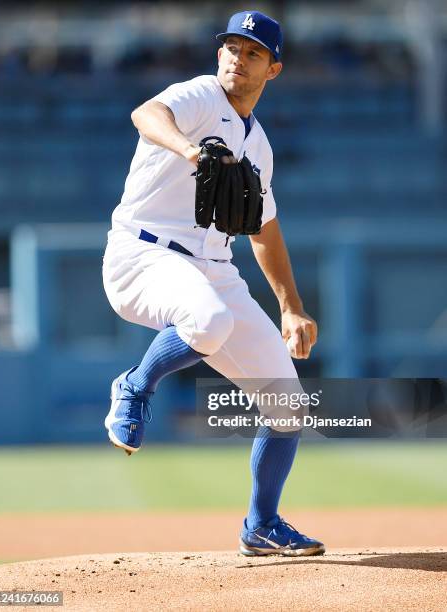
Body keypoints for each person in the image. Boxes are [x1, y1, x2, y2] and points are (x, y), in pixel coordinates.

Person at [102, 10, 325, 557]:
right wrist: (189, 149)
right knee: (208, 320)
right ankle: (134, 385)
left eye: (252, 53)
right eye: (230, 46)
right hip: (142, 253)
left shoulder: (260, 145)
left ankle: (261, 524)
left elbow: (264, 228)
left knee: (288, 405)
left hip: (213, 269)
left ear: (273, 69)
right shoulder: (201, 96)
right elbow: (145, 112)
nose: (236, 58)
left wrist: (291, 307)